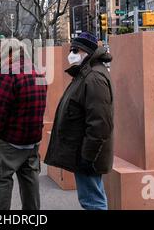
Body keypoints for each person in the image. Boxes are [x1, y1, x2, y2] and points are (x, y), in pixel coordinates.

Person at [44, 32, 114, 210]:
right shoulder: (85, 74)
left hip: (87, 155)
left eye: (75, 50)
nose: (71, 54)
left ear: (87, 52)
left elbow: (100, 124)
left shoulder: (94, 78)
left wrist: (88, 157)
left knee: (92, 201)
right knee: (91, 198)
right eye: (71, 49)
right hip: (83, 153)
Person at [0, 38, 47, 210]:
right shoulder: (38, 72)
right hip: (32, 142)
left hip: (8, 143)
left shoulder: (7, 74)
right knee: (30, 184)